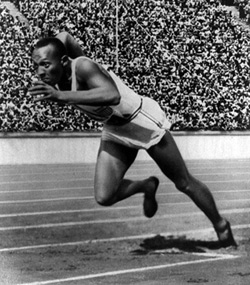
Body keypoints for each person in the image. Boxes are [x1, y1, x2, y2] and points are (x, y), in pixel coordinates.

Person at [29, 32, 237, 248]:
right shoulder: (59, 77)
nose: (40, 72)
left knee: (183, 182)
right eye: (36, 66)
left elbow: (112, 95)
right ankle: (146, 186)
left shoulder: (82, 67)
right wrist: (58, 57)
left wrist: (64, 94)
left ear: (63, 61)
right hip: (114, 130)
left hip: (140, 121)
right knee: (104, 195)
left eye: (45, 64)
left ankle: (221, 225)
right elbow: (63, 36)